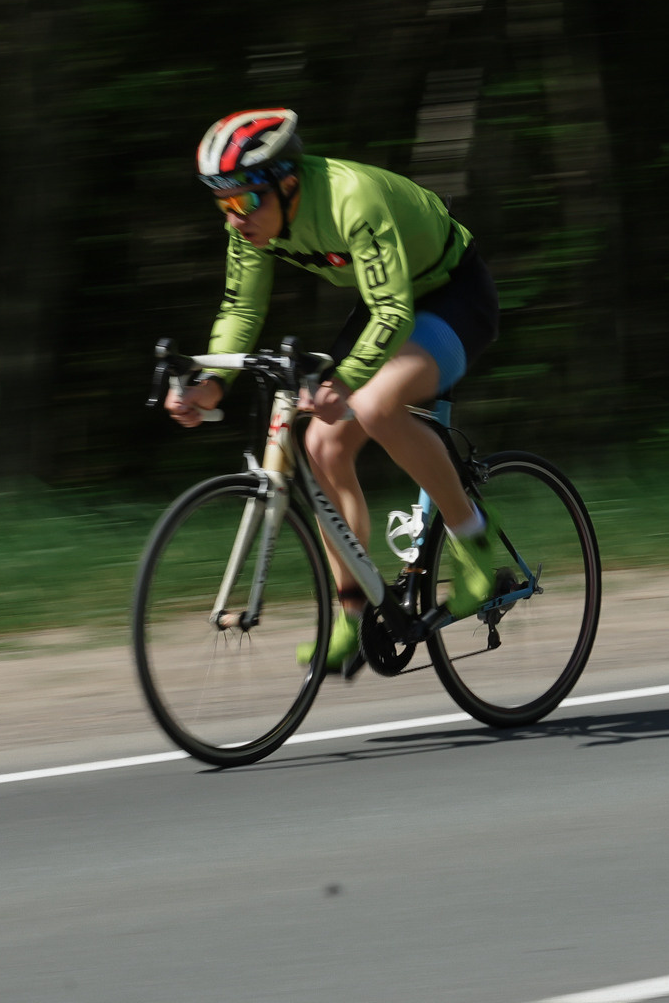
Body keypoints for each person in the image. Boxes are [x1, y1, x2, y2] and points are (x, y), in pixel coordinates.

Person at [164, 107, 503, 668]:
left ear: (287, 183)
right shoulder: (249, 222)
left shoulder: (351, 198)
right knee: (321, 443)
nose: (234, 218)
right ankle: (355, 613)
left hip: (452, 294)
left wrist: (344, 381)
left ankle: (475, 542)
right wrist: (212, 382)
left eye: (244, 201)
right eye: (222, 204)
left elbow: (392, 312)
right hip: (387, 296)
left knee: (375, 404)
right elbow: (241, 308)